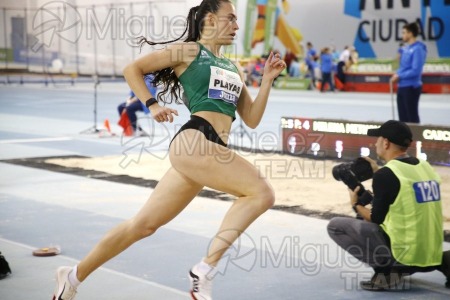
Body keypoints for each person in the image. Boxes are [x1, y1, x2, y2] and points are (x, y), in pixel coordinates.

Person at [52, 1, 286, 299]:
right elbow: (132, 69)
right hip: (194, 141)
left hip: (209, 152)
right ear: (211, 20)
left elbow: (251, 119)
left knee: (142, 226)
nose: (237, 27)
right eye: (232, 19)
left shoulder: (233, 67)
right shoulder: (189, 51)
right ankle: (206, 270)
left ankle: (72, 277)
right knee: (262, 193)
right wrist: (152, 105)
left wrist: (266, 81)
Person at [327, 120, 450, 291]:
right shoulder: (425, 166)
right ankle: (445, 262)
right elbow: (401, 193)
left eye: (378, 139)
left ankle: (386, 271)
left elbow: (376, 218)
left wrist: (356, 204)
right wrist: (378, 173)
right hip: (431, 254)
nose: (375, 143)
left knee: (336, 226)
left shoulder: (387, 175)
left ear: (386, 143)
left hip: (406, 256)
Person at [391, 22, 427, 124]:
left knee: (412, 117)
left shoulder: (418, 49)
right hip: (402, 86)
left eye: (404, 32)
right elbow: (402, 67)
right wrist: (396, 74)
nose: (402, 35)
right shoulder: (406, 49)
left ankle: (415, 139)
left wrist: (399, 75)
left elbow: (416, 70)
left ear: (410, 34)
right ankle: (403, 139)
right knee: (402, 119)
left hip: (411, 87)